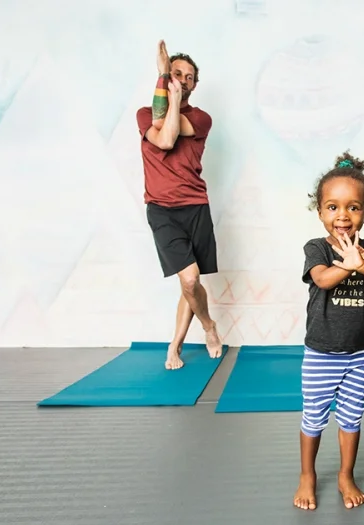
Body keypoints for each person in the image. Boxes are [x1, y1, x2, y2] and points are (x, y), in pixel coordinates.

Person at [294, 152, 364, 511]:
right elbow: (321, 279)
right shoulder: (317, 248)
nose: (342, 216)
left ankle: (345, 474)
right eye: (333, 207)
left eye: (353, 208)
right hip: (320, 353)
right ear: (320, 211)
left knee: (351, 418)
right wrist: (349, 264)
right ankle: (307, 474)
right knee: (314, 417)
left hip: (355, 355)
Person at [136, 40, 223, 370]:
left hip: (195, 206)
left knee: (191, 281)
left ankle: (175, 345)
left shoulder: (201, 119)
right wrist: (165, 83)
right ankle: (209, 326)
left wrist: (171, 93)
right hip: (161, 209)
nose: (183, 80)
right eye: (176, 73)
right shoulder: (144, 114)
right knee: (189, 280)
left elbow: (171, 134)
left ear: (195, 85)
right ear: (165, 76)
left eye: (189, 77)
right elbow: (164, 139)